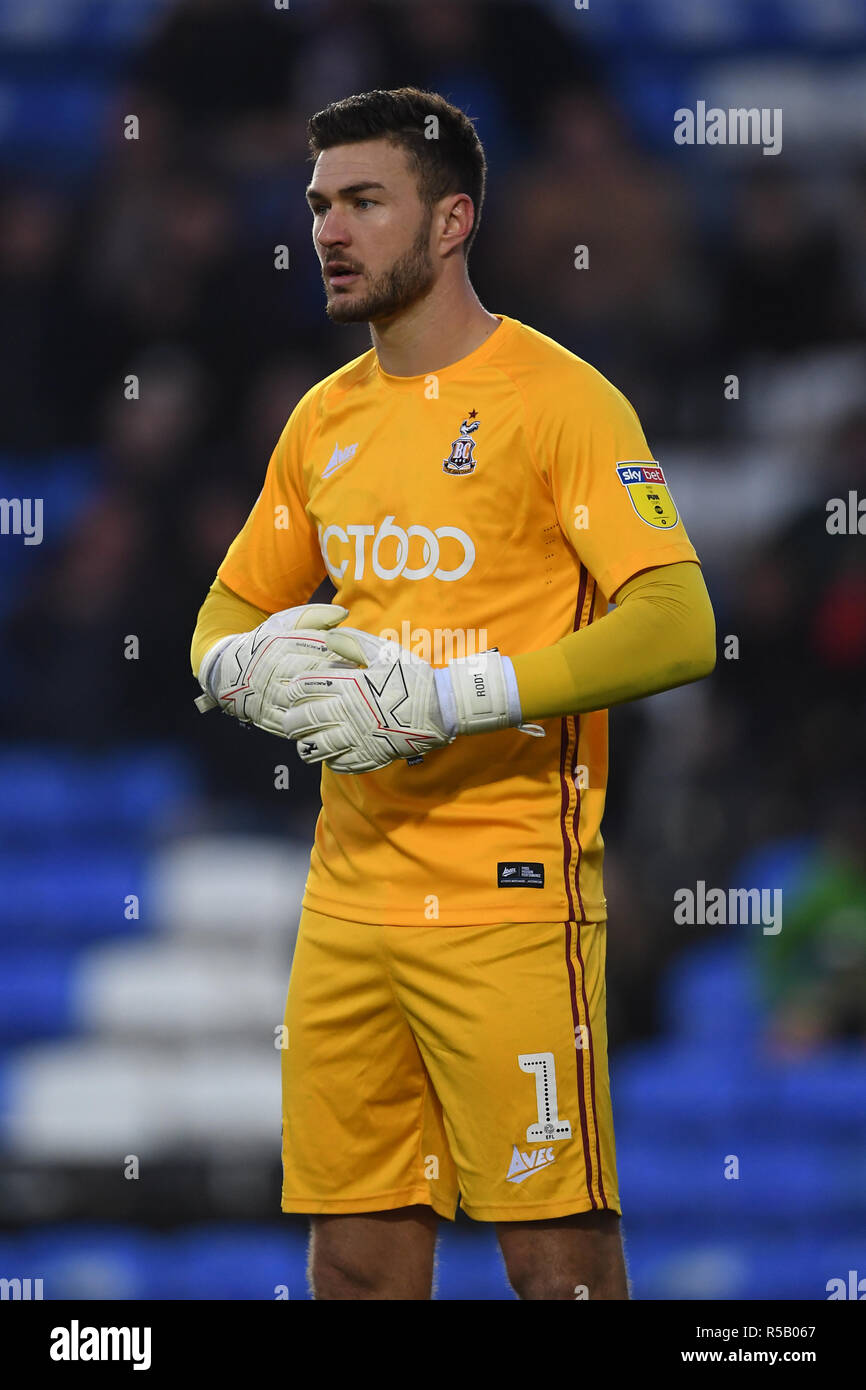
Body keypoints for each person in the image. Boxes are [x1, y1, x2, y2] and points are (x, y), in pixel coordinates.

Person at [190, 87, 716, 1300]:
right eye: (320, 202)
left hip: (509, 901)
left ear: (449, 222)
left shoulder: (560, 398)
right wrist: (237, 668)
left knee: (558, 1271)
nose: (329, 228)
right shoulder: (321, 421)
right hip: (347, 906)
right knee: (357, 1269)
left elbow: (679, 621)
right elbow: (226, 608)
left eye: (365, 201)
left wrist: (464, 694)